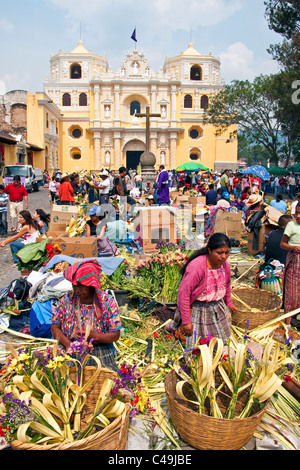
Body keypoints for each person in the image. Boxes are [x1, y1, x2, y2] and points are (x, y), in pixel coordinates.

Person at [51, 259, 121, 371]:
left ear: (91, 285)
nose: (77, 290)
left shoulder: (106, 302)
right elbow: (55, 327)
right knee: (61, 373)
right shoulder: (67, 300)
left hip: (99, 347)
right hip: (70, 346)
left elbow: (115, 335)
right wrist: (68, 343)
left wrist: (94, 336)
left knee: (101, 374)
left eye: (82, 286)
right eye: (74, 286)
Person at [177, 233, 238, 347]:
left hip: (217, 306)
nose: (224, 256)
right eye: (219, 253)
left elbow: (227, 284)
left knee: (221, 343)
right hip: (198, 308)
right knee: (197, 345)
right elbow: (183, 294)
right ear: (209, 250)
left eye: (227, 252)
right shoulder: (198, 266)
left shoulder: (225, 265)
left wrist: (228, 303)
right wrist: (186, 321)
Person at [280, 204, 300, 326]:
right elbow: (282, 243)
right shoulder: (291, 226)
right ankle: (287, 322)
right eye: (296, 212)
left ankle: (294, 317)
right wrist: (293, 247)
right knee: (292, 291)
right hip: (295, 261)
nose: (298, 216)